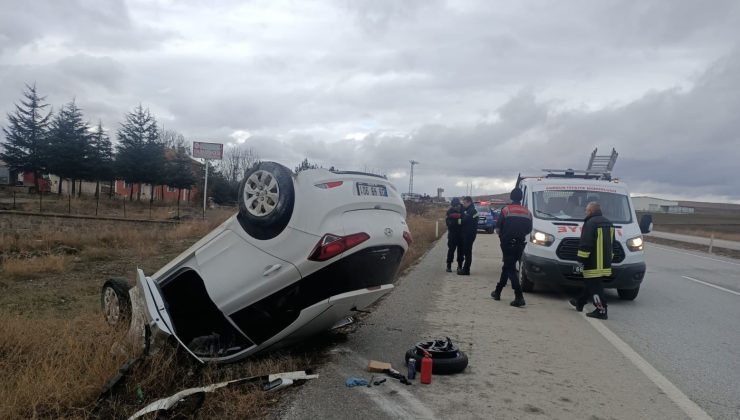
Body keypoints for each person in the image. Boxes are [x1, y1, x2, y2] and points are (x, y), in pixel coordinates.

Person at [570, 202, 614, 319]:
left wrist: (581, 259)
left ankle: (601, 310)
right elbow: (612, 243)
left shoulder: (590, 223)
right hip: (605, 262)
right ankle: (579, 301)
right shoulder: (609, 223)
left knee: (595, 287)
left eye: (586, 210)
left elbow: (586, 243)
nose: (585, 212)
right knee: (592, 283)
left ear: (590, 211)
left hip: (593, 262)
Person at [491, 187, 532, 307]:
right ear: (521, 198)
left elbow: (498, 228)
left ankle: (519, 296)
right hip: (520, 244)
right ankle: (497, 292)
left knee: (510, 269)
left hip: (507, 243)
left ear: (511, 197)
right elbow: (529, 229)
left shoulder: (506, 210)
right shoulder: (527, 212)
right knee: (508, 266)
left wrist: (503, 236)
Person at [457, 196, 478, 275]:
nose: (463, 204)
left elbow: (464, 221)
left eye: (464, 203)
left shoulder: (471, 211)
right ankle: (465, 268)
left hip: (469, 234)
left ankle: (466, 270)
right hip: (469, 233)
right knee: (467, 251)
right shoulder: (470, 210)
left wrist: (457, 220)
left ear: (469, 202)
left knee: (467, 252)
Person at [445, 198, 464, 272]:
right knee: (451, 250)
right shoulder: (450, 211)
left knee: (461, 251)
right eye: (453, 206)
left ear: (459, 204)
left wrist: (460, 217)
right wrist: (451, 221)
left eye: (456, 206)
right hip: (452, 234)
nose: (455, 208)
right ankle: (448, 265)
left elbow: (466, 219)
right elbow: (447, 222)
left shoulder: (464, 210)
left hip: (461, 234)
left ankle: (460, 266)